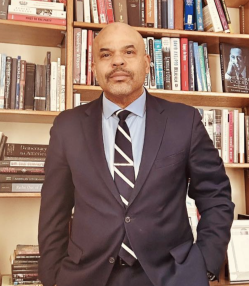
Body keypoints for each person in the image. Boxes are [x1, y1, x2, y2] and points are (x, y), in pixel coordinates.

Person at [38, 23, 234, 286]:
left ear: (146, 62)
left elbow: (215, 196)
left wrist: (204, 264)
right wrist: (52, 277)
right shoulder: (67, 127)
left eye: (128, 52)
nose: (117, 61)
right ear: (94, 67)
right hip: (86, 277)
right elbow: (54, 211)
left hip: (171, 277)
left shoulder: (183, 121)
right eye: (106, 55)